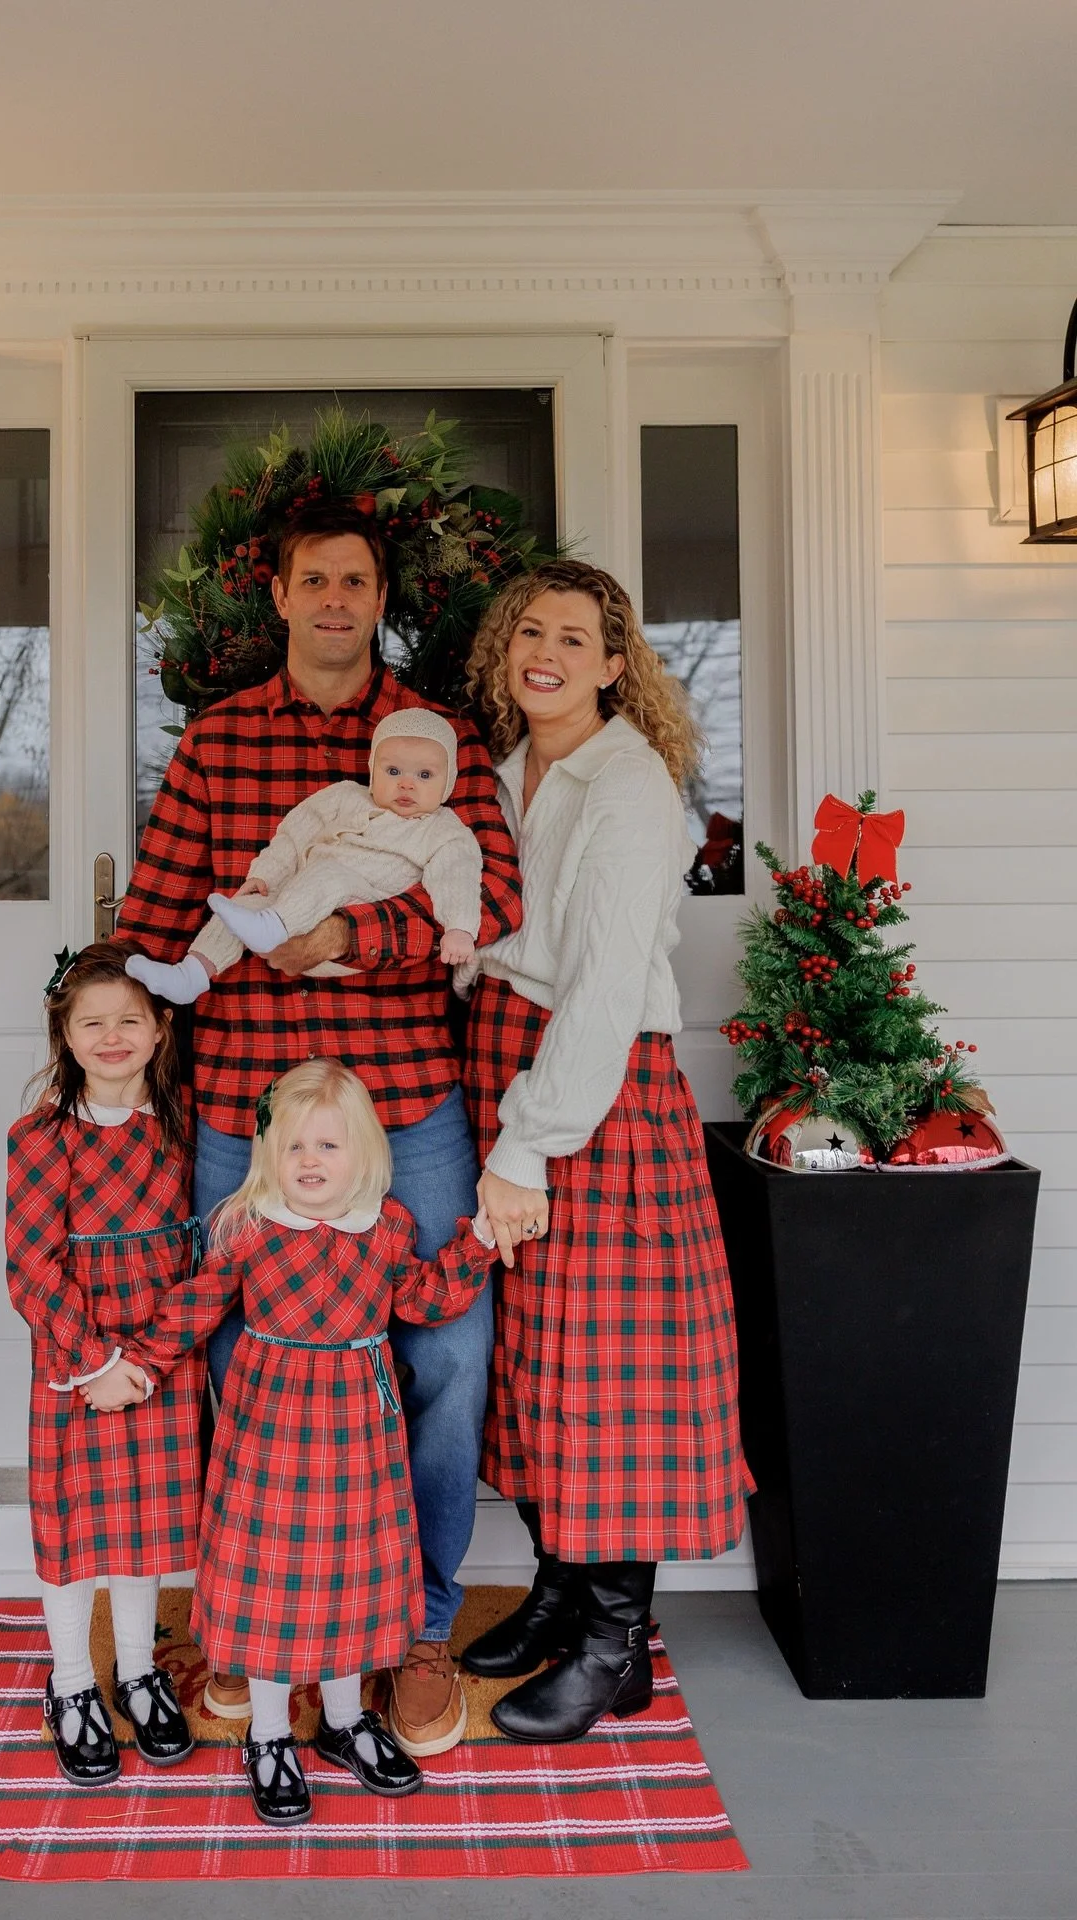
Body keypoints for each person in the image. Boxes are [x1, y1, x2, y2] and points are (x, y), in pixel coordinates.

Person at [116, 501, 522, 1755]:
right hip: (249, 1099)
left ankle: (417, 1628)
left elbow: (491, 897)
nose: (336, 599)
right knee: (242, 1355)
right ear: (281, 596)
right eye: (316, 580)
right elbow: (154, 910)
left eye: (357, 580)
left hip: (407, 1099)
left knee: (445, 1353)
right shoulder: (219, 740)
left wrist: (356, 935)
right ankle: (254, 1624)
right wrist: (99, 1051)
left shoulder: (441, 741)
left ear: (380, 598)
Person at [456, 560, 753, 1742]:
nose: (547, 654)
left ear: (616, 667)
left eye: (575, 639)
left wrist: (527, 1147)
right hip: (508, 1065)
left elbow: (601, 986)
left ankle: (615, 1644)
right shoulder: (498, 772)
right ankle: (562, 1594)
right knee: (532, 1358)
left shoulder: (628, 783)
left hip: (595, 1089)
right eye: (531, 632)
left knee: (605, 1372)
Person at [94, 1061, 496, 1826]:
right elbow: (196, 1305)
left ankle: (344, 1722)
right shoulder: (248, 1227)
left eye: (328, 1145)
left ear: (364, 1153)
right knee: (271, 1584)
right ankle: (270, 1736)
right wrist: (138, 1364)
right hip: (270, 1445)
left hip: (360, 1448)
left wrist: (476, 1242)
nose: (310, 1161)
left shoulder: (386, 1228)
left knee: (351, 1580)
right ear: (269, 1156)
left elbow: (425, 1299)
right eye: (294, 1146)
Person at [4, 942, 202, 1784]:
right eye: (93, 1023)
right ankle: (72, 1681)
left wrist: (147, 1362)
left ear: (160, 1029)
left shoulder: (184, 1129)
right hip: (76, 1361)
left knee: (141, 1527)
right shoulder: (42, 1137)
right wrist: (96, 1363)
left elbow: (202, 1260)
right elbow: (30, 1267)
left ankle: (139, 1671)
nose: (112, 1037)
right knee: (74, 1527)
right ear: (65, 1033)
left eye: (130, 1020)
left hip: (160, 1356)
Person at [128, 708, 483, 1004]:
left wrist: (460, 928)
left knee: (330, 873)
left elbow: (458, 877)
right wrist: (264, 876)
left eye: (425, 775)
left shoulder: (444, 830)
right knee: (243, 906)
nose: (407, 784)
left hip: (355, 919)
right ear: (373, 768)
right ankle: (191, 974)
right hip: (298, 905)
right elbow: (294, 836)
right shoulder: (345, 796)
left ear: (448, 782)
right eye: (393, 771)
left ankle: (271, 926)